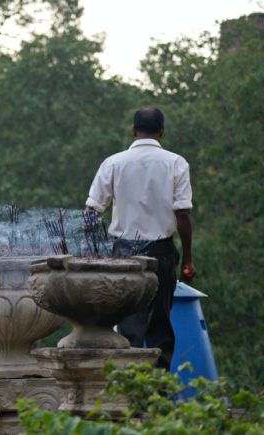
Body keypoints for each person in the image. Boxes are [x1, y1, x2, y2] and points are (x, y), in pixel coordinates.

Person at [85, 106, 196, 370]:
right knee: (161, 327)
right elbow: (183, 215)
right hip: (161, 253)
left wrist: (93, 255)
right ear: (161, 132)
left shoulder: (114, 162)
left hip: (123, 254)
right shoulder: (175, 163)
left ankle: (128, 393)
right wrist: (188, 260)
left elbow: (91, 213)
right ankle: (157, 395)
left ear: (134, 131)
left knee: (128, 328)